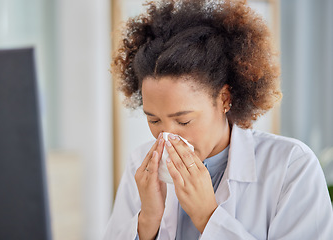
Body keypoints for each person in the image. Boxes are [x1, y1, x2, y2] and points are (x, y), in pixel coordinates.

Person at [103, 0, 333, 239]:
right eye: (154, 120)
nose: (167, 137)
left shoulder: (291, 167)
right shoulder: (139, 165)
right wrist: (148, 219)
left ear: (224, 98)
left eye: (183, 121)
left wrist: (207, 216)